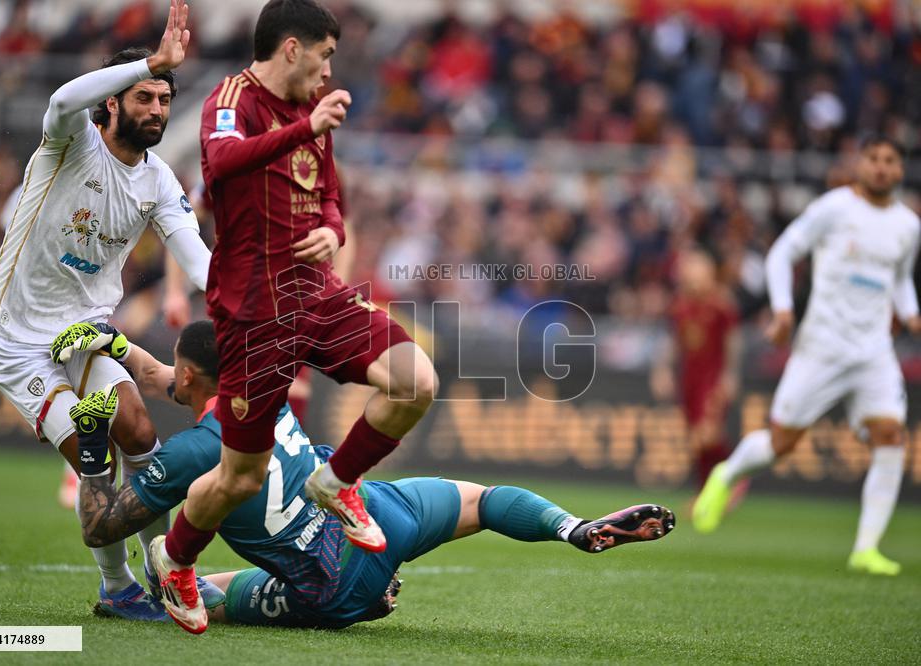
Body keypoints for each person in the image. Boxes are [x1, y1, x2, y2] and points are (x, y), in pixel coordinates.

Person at [59, 320, 675, 630]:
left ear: (188, 377)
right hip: (371, 518)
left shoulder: (195, 451)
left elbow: (100, 526)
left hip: (327, 587)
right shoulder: (264, 388)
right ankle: (573, 529)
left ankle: (191, 588)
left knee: (177, 580)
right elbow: (166, 377)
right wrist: (112, 343)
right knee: (484, 500)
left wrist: (92, 447)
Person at [150, 0, 437, 632]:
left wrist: (332, 231)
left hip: (317, 291)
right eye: (325, 55)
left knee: (416, 381)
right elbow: (221, 163)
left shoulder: (315, 111)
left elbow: (332, 199)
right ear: (291, 48)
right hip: (254, 311)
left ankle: (335, 482)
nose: (329, 71)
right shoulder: (230, 99)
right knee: (241, 478)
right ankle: (174, 559)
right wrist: (307, 130)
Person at [0, 0, 210, 618]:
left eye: (164, 99)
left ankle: (168, 566)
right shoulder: (70, 142)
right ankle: (117, 586)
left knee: (135, 423)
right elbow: (59, 101)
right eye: (144, 98)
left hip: (81, 332)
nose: (157, 110)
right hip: (13, 338)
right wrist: (149, 59)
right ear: (113, 103)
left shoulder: (159, 180)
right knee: (93, 444)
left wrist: (244, 302)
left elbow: (198, 259)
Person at [692, 135, 920, 576]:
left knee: (891, 436)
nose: (879, 167)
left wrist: (911, 314)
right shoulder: (833, 209)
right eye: (872, 158)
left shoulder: (908, 225)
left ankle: (866, 549)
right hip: (822, 345)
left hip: (873, 351)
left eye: (889, 160)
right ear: (860, 163)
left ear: (900, 170)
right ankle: (725, 474)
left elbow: (902, 278)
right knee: (780, 444)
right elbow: (782, 253)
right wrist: (782, 310)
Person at [651, 248, 742, 487]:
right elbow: (672, 341)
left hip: (712, 378)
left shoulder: (721, 302)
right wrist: (662, 370)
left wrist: (730, 375)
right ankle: (707, 490)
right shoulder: (680, 304)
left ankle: (737, 474)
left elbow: (732, 342)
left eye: (694, 267)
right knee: (694, 439)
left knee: (708, 434)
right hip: (689, 377)